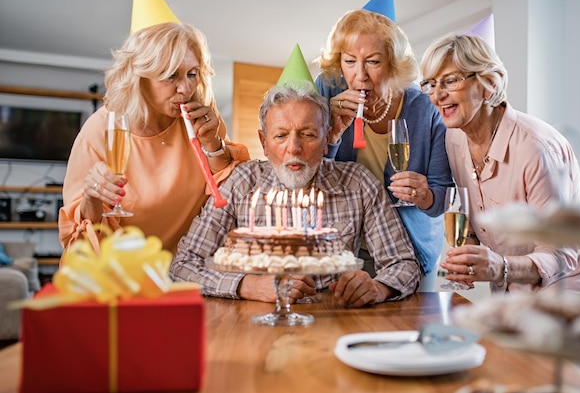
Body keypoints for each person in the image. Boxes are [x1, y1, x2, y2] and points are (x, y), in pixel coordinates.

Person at [170, 85, 420, 307]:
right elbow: (183, 266)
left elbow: (404, 263)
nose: (294, 148)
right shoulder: (241, 183)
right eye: (280, 136)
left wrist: (379, 288)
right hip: (254, 320)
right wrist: (248, 285)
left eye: (308, 134)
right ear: (264, 142)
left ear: (326, 140)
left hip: (332, 316)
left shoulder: (358, 183)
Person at [419, 32, 580, 301]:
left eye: (450, 81)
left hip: (567, 285)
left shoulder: (536, 147)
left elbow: (560, 253)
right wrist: (469, 246)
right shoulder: (454, 137)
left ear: (489, 84)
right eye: (431, 84)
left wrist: (499, 267)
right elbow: (473, 211)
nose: (437, 95)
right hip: (509, 281)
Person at [59, 22, 250, 255]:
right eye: (171, 76)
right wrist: (92, 196)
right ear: (139, 78)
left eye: (192, 74)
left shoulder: (200, 118)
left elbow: (226, 193)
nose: (185, 88)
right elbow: (80, 241)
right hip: (119, 273)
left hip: (186, 270)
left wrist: (213, 144)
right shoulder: (102, 130)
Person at [314, 9, 454, 291]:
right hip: (341, 247)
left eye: (373, 62)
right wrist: (330, 134)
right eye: (350, 61)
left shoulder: (425, 108)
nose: (360, 75)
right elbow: (310, 176)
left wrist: (424, 195)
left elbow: (442, 198)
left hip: (408, 248)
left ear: (394, 65)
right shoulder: (327, 91)